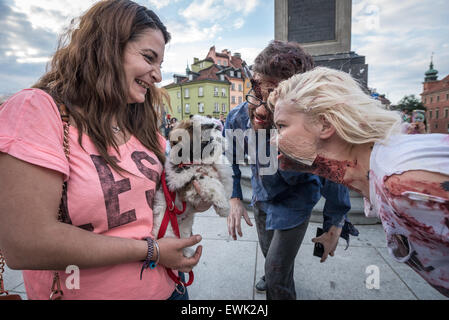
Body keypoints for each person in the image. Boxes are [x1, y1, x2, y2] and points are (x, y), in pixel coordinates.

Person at [0, 0, 211, 300]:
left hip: (169, 290)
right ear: (107, 49)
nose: (158, 75)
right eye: (149, 58)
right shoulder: (37, 110)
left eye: (161, 64)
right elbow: (25, 243)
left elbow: (163, 197)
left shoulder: (139, 121)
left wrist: (196, 196)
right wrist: (151, 251)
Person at [269, 66, 449, 297]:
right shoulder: (382, 162)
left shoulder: (405, 186)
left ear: (324, 124)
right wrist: (313, 163)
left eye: (281, 126)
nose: (275, 139)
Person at [224, 41, 354, 300]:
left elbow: (335, 174)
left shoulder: (313, 125)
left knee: (276, 272)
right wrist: (235, 197)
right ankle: (276, 273)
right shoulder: (238, 117)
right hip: (262, 196)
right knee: (269, 254)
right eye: (255, 89)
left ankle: (276, 278)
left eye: (272, 95)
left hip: (296, 200)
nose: (259, 107)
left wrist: (334, 223)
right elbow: (231, 158)